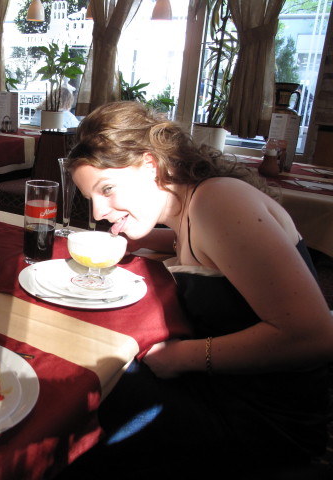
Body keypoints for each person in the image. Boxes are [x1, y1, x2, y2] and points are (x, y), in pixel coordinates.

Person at [58, 101, 333, 477]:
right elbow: (207, 250)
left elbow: (314, 335)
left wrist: (183, 356)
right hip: (228, 391)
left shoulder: (220, 202)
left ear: (151, 165)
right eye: (92, 199)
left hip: (264, 420)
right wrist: (139, 240)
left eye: (107, 189)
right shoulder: (194, 207)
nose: (98, 213)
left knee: (94, 400)